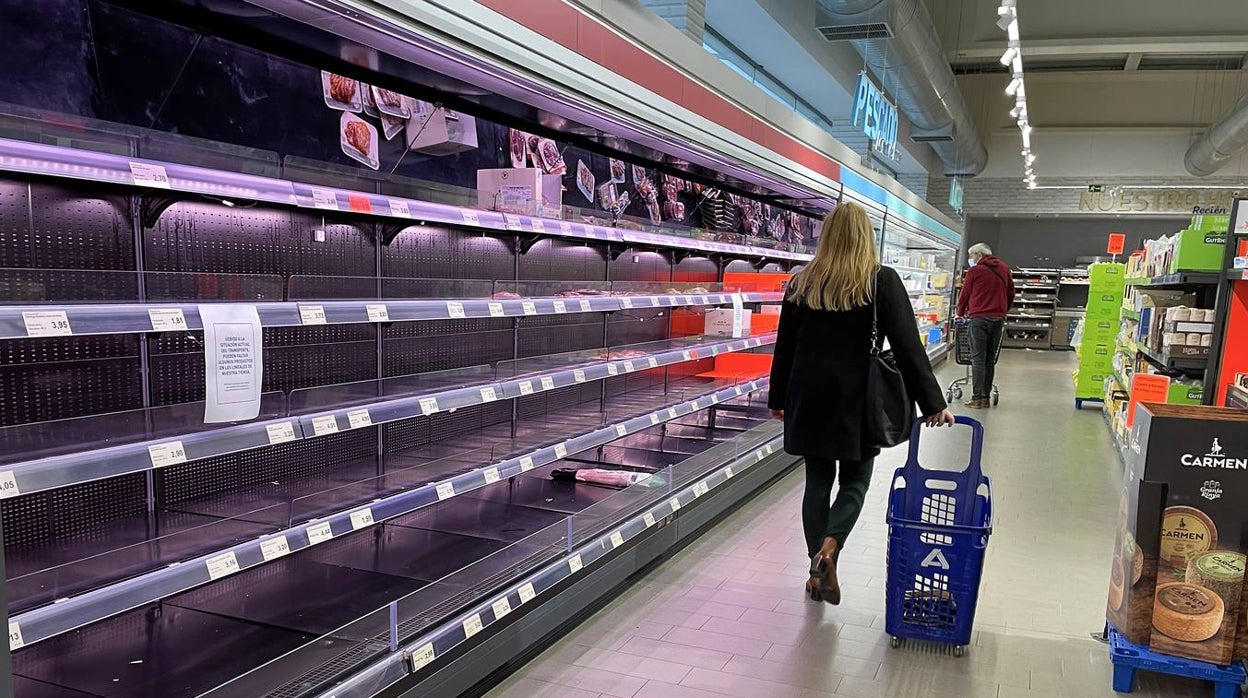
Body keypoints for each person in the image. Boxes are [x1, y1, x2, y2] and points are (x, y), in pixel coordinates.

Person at [767, 202, 954, 606]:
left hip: (808, 395)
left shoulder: (801, 283)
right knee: (855, 481)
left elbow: (784, 349)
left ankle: (815, 570)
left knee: (817, 483)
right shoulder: (880, 281)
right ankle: (829, 552)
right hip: (857, 399)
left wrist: (778, 398)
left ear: (828, 237)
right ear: (866, 238)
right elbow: (908, 347)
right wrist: (933, 403)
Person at [956, 243, 1014, 409]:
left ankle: (977, 398)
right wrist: (1003, 310)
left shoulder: (974, 271)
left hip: (979, 319)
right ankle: (985, 398)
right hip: (998, 319)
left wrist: (960, 313)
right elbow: (1011, 293)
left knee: (978, 359)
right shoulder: (1003, 268)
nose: (971, 259)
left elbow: (965, 294)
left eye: (971, 255)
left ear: (978, 254)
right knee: (989, 359)